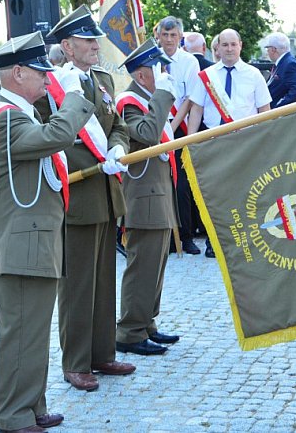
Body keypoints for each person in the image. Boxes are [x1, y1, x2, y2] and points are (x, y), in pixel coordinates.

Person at [0, 31, 95, 433]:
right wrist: (76, 96)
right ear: (18, 72)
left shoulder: (15, 113)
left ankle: (32, 406)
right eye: (40, 71)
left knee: (32, 332)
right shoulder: (7, 118)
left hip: (28, 243)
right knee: (22, 334)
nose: (48, 78)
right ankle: (13, 415)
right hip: (19, 246)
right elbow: (56, 137)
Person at [37, 5, 136, 392]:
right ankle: (75, 361)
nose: (96, 45)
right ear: (67, 45)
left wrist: (115, 149)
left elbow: (120, 126)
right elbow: (52, 138)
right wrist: (94, 161)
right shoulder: (53, 86)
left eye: (96, 39)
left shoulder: (103, 80)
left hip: (107, 192)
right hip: (78, 193)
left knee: (102, 280)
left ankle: (102, 353)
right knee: (77, 283)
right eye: (87, 40)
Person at [114, 39, 181, 356]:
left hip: (157, 194)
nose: (165, 73)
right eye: (158, 69)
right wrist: (164, 95)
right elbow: (149, 134)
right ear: (142, 76)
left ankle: (146, 323)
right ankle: (129, 331)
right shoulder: (130, 102)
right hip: (143, 197)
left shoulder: (147, 99)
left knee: (156, 266)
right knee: (142, 267)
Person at [186, 28, 271, 257]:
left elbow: (265, 111)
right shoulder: (207, 76)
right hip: (214, 140)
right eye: (225, 45)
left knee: (247, 192)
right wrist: (191, 142)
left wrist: (265, 142)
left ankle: (246, 240)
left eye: (233, 44)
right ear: (218, 48)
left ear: (240, 45)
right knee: (216, 193)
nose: (230, 49)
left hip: (246, 142)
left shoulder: (254, 75)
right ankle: (215, 241)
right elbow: (196, 109)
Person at [156, 16, 201, 255]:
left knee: (182, 185)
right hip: (156, 126)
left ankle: (186, 236)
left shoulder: (189, 61)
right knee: (161, 184)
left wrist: (172, 131)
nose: (169, 40)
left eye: (174, 36)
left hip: (179, 128)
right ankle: (165, 237)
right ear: (159, 36)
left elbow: (191, 99)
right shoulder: (151, 60)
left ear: (180, 37)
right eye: (165, 35)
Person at [264, 32, 296, 107]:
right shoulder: (282, 62)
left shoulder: (289, 64)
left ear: (273, 49)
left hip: (278, 114)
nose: (267, 51)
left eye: (267, 48)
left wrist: (279, 106)